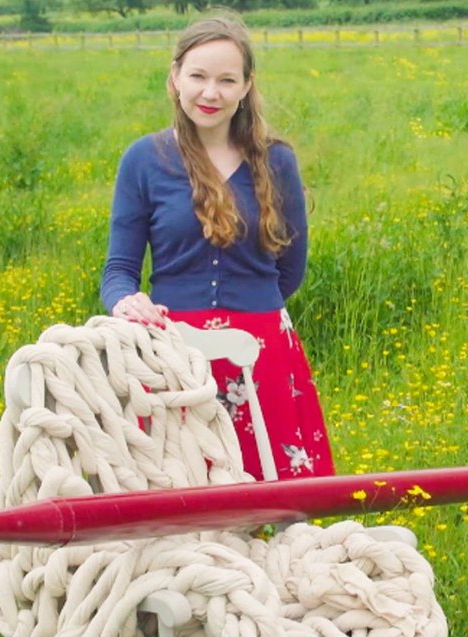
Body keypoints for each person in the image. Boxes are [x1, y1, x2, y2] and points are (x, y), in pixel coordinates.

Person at [99, 13, 334, 482]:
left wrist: (248, 314)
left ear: (246, 86)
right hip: (175, 360)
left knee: (274, 497)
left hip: (263, 357)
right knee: (183, 493)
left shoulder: (276, 161)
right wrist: (126, 302)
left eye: (227, 80)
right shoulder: (143, 160)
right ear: (175, 78)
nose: (211, 93)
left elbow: (291, 271)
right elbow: (119, 270)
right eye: (198, 76)